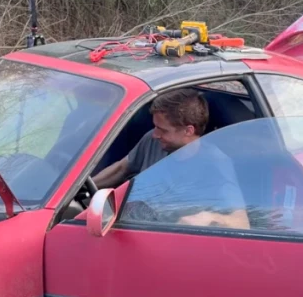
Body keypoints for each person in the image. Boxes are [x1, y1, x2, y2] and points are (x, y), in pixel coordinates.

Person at [92, 87, 249, 229]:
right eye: (155, 127)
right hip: (123, 224)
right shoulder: (153, 140)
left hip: (165, 237)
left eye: (163, 130)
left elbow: (242, 223)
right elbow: (121, 168)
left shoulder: (216, 164)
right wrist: (80, 188)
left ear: (188, 131)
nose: (155, 134)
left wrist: (209, 218)